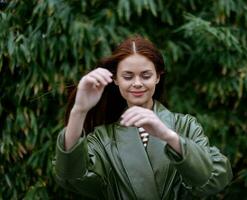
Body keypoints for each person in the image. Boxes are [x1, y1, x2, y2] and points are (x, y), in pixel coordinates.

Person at [54, 35, 233, 199]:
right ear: (116, 79)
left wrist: (169, 136)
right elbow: (71, 176)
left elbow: (213, 178)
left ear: (157, 77)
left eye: (146, 75)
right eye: (128, 76)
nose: (137, 83)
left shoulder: (185, 125)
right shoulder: (103, 138)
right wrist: (79, 110)